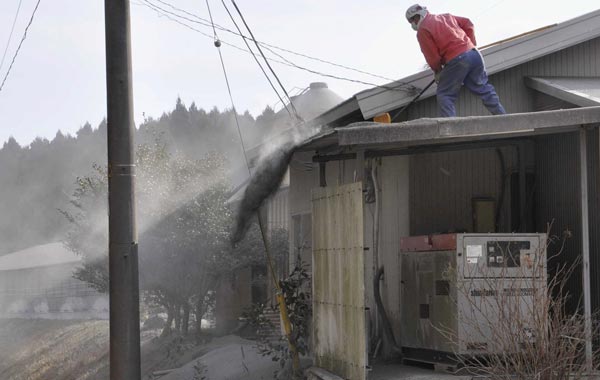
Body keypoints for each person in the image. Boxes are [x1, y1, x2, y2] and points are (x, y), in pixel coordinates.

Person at [405, 4, 506, 117]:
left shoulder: (423, 30)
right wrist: (470, 44)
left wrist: (438, 71)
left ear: (416, 17)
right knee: (483, 88)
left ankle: (451, 129)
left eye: (411, 21)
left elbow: (432, 57)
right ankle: (503, 117)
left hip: (457, 60)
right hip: (475, 54)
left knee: (445, 94)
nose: (412, 24)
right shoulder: (447, 16)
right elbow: (468, 24)